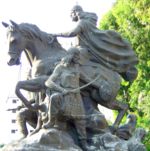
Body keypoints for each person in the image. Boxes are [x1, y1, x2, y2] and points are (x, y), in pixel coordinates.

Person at [53, 5, 138, 83]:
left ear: (75, 13)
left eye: (71, 14)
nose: (70, 16)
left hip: (83, 51)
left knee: (69, 59)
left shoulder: (82, 22)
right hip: (81, 49)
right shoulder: (85, 22)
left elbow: (72, 33)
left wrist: (56, 34)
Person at [43, 47, 92, 150]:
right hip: (64, 94)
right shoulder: (60, 68)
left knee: (80, 120)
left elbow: (86, 79)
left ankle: (84, 144)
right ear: (71, 56)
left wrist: (99, 83)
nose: (78, 57)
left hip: (76, 96)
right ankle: (51, 121)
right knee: (54, 98)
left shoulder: (77, 68)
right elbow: (48, 82)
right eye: (76, 55)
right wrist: (61, 89)